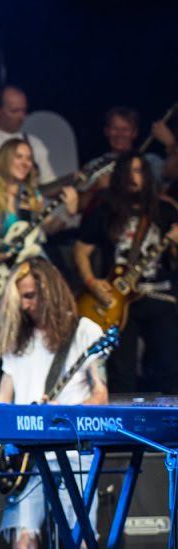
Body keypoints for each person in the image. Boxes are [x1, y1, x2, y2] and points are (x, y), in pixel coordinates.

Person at [0, 257, 106, 549]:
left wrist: (60, 414)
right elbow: (3, 402)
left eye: (30, 296)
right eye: (20, 299)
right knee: (24, 547)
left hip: (74, 455)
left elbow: (100, 396)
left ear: (50, 291)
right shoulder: (17, 341)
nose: (25, 305)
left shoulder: (84, 331)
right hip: (29, 463)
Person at [73, 152, 178, 393]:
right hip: (116, 301)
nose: (133, 177)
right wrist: (91, 281)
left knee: (168, 365)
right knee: (121, 370)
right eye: (128, 171)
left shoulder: (164, 210)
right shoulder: (105, 210)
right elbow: (80, 250)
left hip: (158, 296)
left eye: (139, 171)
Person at [0, 138, 78, 256]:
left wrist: (67, 214)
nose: (25, 163)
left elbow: (49, 229)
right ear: (4, 160)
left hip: (30, 261)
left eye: (29, 159)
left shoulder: (32, 196)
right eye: (19, 157)